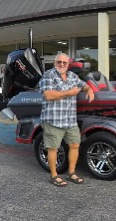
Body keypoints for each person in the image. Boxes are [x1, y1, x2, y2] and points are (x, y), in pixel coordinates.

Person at [39, 53, 94, 187]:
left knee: (75, 145)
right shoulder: (48, 75)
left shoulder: (73, 76)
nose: (62, 64)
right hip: (53, 120)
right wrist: (69, 93)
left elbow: (84, 85)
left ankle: (71, 172)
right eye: (59, 62)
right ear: (55, 63)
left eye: (64, 62)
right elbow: (48, 94)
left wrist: (89, 90)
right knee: (53, 148)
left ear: (68, 64)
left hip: (70, 120)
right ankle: (54, 175)